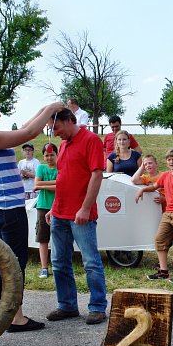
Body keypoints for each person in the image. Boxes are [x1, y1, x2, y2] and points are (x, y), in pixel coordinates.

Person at [0, 92, 64, 333]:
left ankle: (2, 314)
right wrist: (50, 109)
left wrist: (44, 109)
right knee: (15, 263)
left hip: (1, 206)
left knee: (5, 259)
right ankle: (14, 318)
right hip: (8, 207)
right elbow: (28, 133)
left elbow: (25, 127)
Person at [44, 108, 108, 325]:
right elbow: (63, 178)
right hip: (60, 212)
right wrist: (54, 207)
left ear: (70, 120)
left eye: (56, 128)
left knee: (90, 261)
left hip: (81, 214)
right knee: (59, 262)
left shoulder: (91, 140)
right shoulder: (63, 144)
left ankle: (97, 307)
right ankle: (67, 305)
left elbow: (97, 175)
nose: (55, 133)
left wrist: (85, 208)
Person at [135, 148, 173, 282]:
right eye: (169, 159)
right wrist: (143, 190)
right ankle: (163, 271)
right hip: (167, 213)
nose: (171, 162)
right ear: (166, 161)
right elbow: (155, 186)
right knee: (159, 240)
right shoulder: (165, 175)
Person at [133, 154, 173, 273]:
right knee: (163, 238)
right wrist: (141, 167)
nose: (148, 166)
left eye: (150, 163)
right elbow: (134, 180)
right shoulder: (145, 178)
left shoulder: (164, 175)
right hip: (155, 213)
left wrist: (164, 199)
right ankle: (162, 261)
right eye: (146, 164)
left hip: (169, 209)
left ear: (156, 164)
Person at [34, 143, 58, 278]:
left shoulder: (61, 168)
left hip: (58, 206)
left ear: (57, 155)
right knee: (43, 238)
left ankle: (57, 266)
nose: (49, 158)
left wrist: (42, 185)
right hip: (43, 206)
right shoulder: (41, 168)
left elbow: (61, 186)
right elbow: (36, 183)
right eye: (46, 155)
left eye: (52, 155)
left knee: (59, 238)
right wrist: (55, 183)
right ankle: (44, 267)